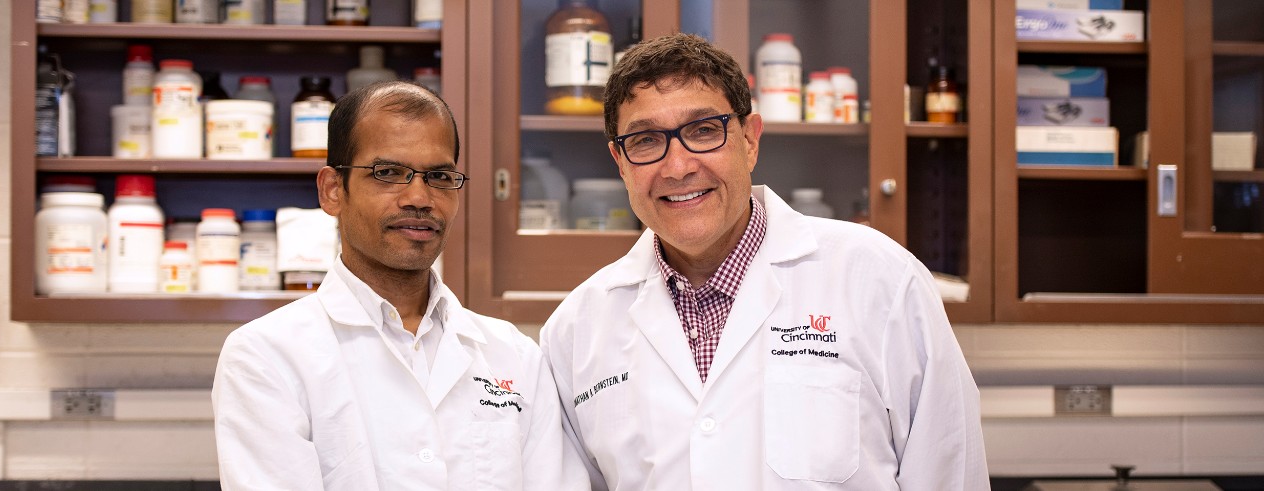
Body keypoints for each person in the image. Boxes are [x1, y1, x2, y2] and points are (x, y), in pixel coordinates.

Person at [540, 33, 990, 489]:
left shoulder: (882, 282)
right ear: (620, 161)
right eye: (645, 140)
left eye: (703, 131)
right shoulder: (577, 331)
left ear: (750, 140)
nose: (677, 167)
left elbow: (950, 471)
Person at [212, 81, 587, 490]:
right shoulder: (266, 357)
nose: (419, 197)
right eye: (388, 173)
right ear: (333, 190)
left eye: (439, 176)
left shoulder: (514, 357)